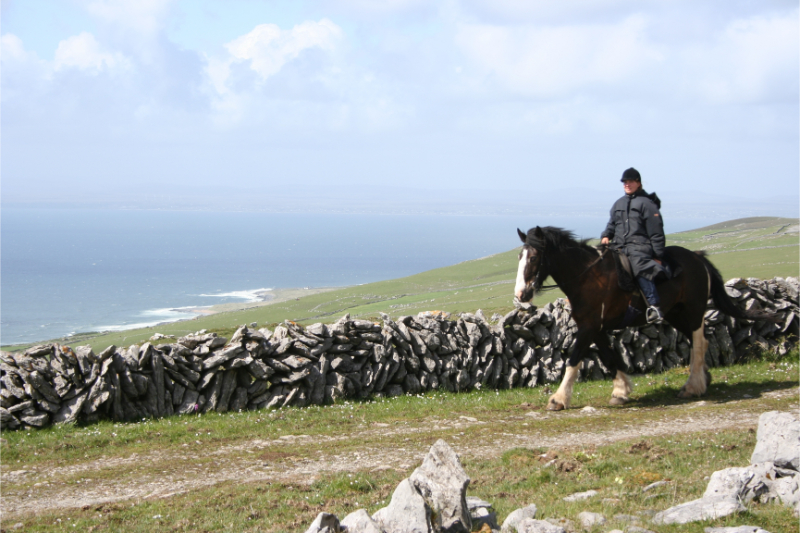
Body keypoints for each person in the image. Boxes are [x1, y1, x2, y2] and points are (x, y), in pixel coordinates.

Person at [600, 167, 666, 323]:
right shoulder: (618, 203)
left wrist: (657, 256)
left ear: (638, 183)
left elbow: (656, 233)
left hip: (639, 247)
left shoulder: (647, 204)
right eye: (624, 182)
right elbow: (611, 224)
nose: (627, 184)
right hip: (618, 245)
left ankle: (654, 306)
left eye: (630, 181)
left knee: (638, 265)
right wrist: (606, 236)